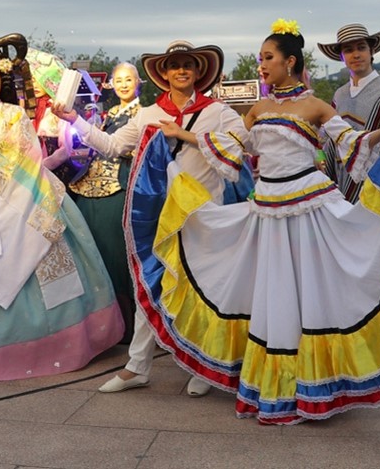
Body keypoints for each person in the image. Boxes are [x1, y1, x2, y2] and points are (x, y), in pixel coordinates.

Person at [129, 20, 380, 424]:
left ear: (290, 62)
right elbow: (233, 148)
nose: (262, 65)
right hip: (266, 210)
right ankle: (278, 382)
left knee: (311, 292)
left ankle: (315, 382)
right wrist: (183, 133)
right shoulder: (258, 109)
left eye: (268, 58)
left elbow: (352, 145)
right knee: (273, 294)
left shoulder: (317, 106)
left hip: (310, 208)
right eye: (260, 58)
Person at [50, 39, 248, 396]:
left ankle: (204, 366)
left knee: (205, 291)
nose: (181, 70)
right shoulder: (147, 115)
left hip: (206, 214)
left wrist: (186, 136)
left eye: (188, 64)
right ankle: (137, 366)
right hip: (161, 216)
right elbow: (110, 145)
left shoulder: (219, 112)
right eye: (175, 65)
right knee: (152, 285)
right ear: (165, 74)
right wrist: (75, 120)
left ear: (199, 71)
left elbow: (239, 146)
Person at [0, 35, 121, 380]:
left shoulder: (15, 114)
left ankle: (54, 343)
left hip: (19, 195)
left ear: (1, 81)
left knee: (45, 249)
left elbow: (25, 157)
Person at [61, 61, 143, 344]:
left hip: (117, 190)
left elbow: (125, 149)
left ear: (138, 82)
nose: (122, 84)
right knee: (94, 260)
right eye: (118, 80)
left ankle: (131, 328)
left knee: (119, 260)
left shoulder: (142, 115)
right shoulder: (106, 115)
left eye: (128, 79)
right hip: (88, 189)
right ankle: (105, 326)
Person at [318, 23, 380, 202]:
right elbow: (329, 141)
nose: (356, 54)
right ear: (342, 57)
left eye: (361, 47)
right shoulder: (339, 95)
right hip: (341, 185)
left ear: (372, 51)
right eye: (348, 50)